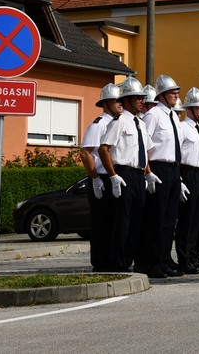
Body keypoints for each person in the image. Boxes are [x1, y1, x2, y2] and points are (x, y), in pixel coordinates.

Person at [98, 76, 153, 273]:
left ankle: (128, 260)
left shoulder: (141, 123)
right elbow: (104, 149)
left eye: (142, 98)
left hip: (138, 176)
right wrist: (112, 175)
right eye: (137, 98)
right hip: (124, 173)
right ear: (126, 101)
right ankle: (117, 263)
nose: (141, 101)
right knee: (122, 221)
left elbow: (145, 150)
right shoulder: (120, 121)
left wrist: (148, 173)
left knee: (136, 221)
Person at [139, 74, 184, 279]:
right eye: (172, 92)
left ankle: (164, 260)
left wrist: (180, 178)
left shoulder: (174, 116)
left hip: (174, 169)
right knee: (156, 219)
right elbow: (144, 146)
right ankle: (152, 262)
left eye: (176, 92)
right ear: (162, 95)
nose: (176, 95)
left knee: (169, 220)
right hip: (158, 168)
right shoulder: (153, 115)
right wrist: (148, 172)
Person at [80, 83, 119, 272]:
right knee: (101, 223)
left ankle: (111, 259)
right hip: (101, 178)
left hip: (112, 177)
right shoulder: (99, 124)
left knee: (113, 222)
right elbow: (85, 152)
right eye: (115, 100)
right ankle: (100, 263)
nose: (119, 104)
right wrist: (94, 178)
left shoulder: (116, 123)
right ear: (106, 103)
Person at [175, 87, 199, 274]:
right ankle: (184, 259)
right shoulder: (182, 128)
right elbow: (177, 155)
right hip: (188, 173)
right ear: (188, 109)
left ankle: (193, 256)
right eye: (198, 108)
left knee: (198, 219)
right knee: (186, 219)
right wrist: (180, 179)